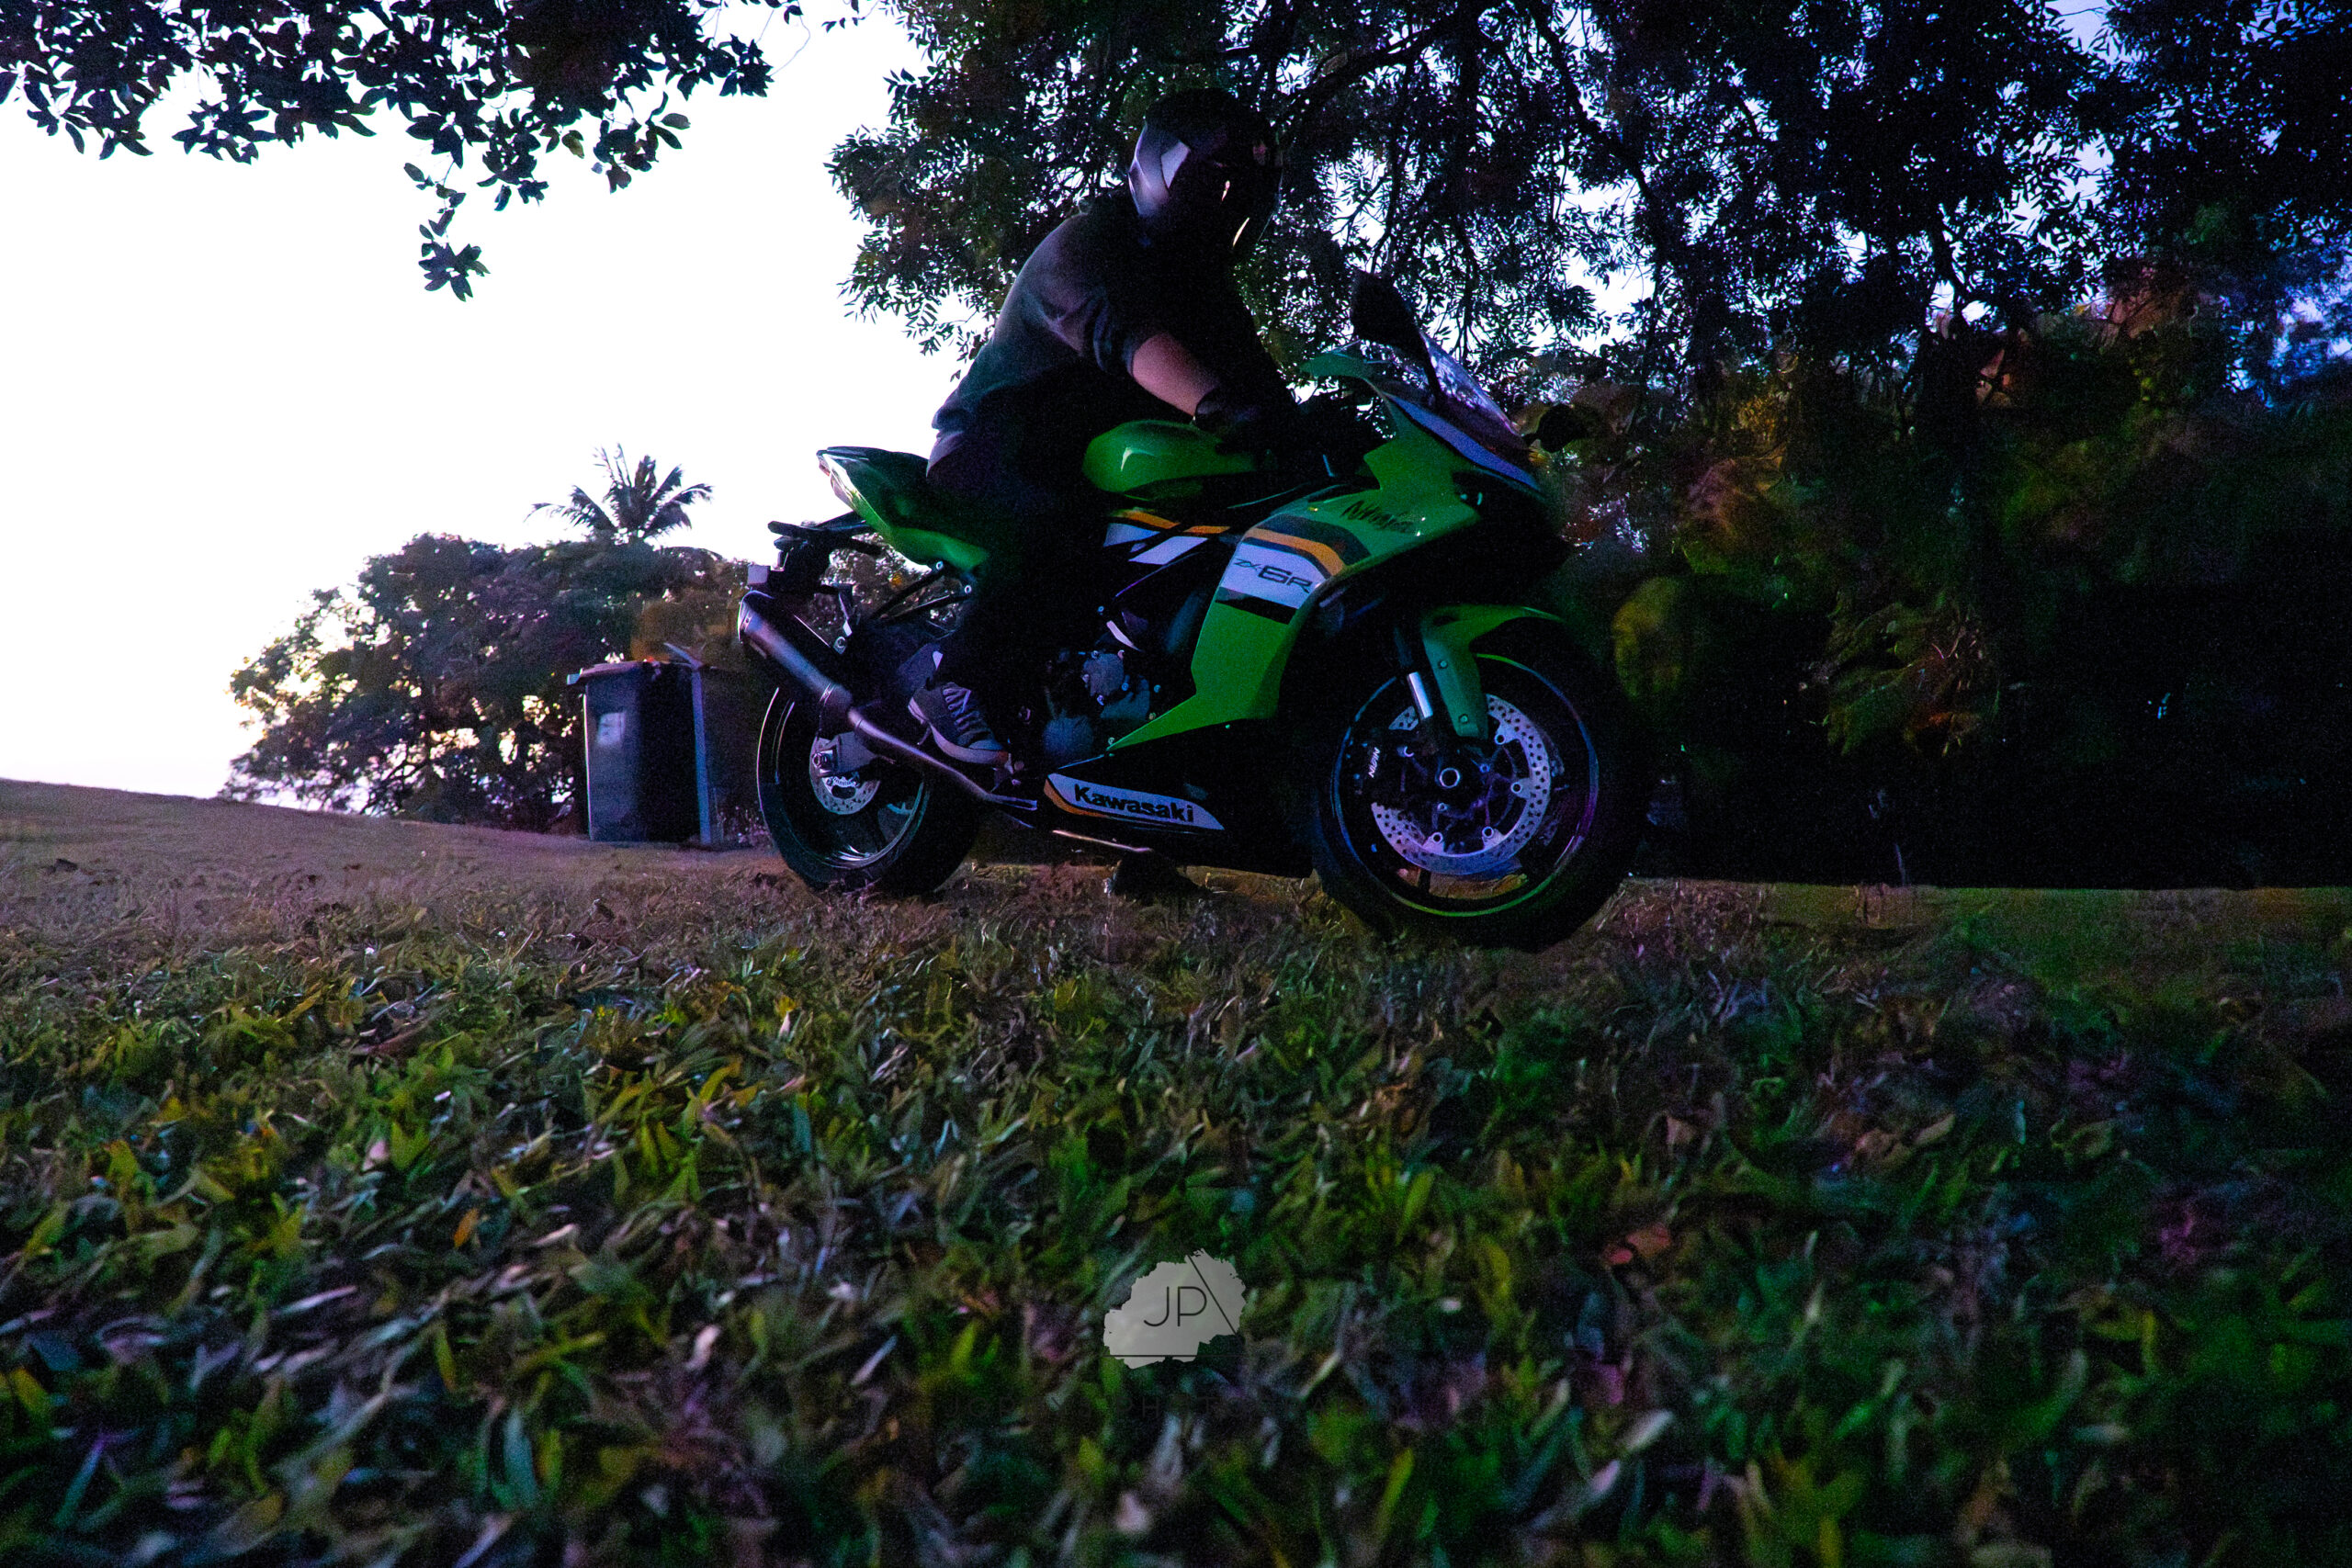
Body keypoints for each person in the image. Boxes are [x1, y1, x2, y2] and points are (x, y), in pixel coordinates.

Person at [909, 88, 1300, 766]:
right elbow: (1131, 338)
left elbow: (1259, 385)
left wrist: (1313, 430)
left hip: (1092, 465)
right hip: (998, 445)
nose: (1225, 204)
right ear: (1163, 169)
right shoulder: (1090, 245)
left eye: (1241, 193)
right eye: (1213, 184)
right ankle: (957, 682)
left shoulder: (1203, 286)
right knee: (1061, 525)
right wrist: (1216, 403)